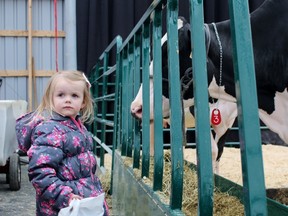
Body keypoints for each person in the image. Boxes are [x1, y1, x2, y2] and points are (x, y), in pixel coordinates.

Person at [15, 70, 109, 216]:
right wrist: (66, 196)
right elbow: (40, 173)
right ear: (50, 99)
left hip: (82, 203)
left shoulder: (78, 127)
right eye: (61, 95)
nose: (68, 100)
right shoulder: (49, 130)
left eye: (74, 95)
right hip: (62, 207)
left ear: (83, 101)